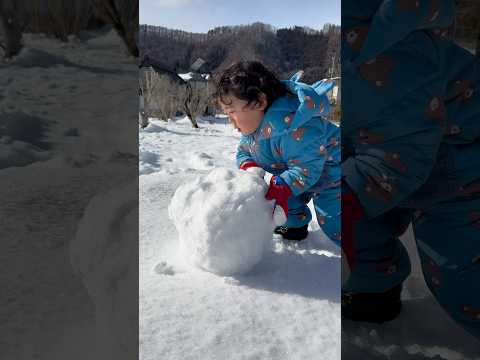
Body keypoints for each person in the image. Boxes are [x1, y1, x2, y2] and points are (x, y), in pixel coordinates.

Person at [342, 0, 480, 339]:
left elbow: (399, 155)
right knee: (361, 216)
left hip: (459, 156)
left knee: (461, 275)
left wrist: (345, 197)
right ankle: (373, 289)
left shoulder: (383, 42)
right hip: (386, 145)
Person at [214, 61, 341, 243]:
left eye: (232, 112)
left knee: (333, 219)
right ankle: (294, 225)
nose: (230, 121)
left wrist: (283, 185)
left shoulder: (294, 125)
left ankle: (369, 249)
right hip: (296, 173)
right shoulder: (253, 131)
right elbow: (244, 153)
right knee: (277, 199)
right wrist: (251, 168)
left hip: (333, 172)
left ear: (259, 102)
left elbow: (307, 168)